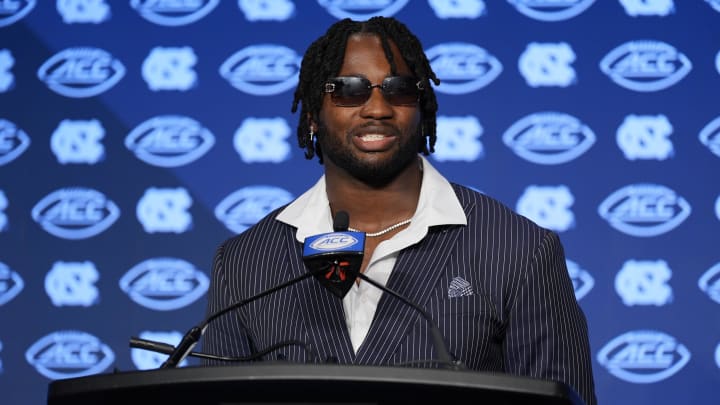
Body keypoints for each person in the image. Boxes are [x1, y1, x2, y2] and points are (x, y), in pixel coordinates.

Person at [202, 16, 597, 405]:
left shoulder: (519, 249)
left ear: (422, 109)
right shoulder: (243, 263)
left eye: (399, 89)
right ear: (311, 117)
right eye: (348, 90)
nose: (377, 108)